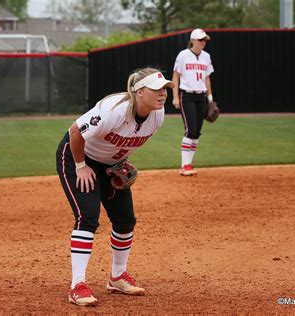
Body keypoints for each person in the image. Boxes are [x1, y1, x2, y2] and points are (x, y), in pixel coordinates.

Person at [55, 67, 174, 306]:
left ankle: (117, 277)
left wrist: (120, 162)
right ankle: (77, 285)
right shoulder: (114, 110)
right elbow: (76, 132)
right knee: (87, 217)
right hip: (77, 156)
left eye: (165, 89)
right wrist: (80, 166)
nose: (163, 94)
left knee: (125, 219)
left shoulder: (157, 115)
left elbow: (128, 139)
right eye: (156, 89)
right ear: (139, 92)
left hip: (109, 165)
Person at [172, 28, 214, 175]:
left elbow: (207, 78)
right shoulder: (183, 55)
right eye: (201, 40)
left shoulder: (206, 56)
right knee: (190, 130)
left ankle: (189, 164)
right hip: (187, 96)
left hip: (201, 97)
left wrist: (210, 99)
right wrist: (175, 96)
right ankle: (184, 165)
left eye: (205, 40)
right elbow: (175, 76)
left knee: (197, 132)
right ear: (194, 40)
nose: (204, 42)